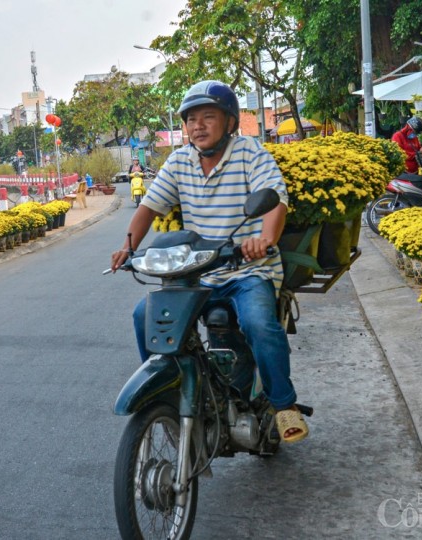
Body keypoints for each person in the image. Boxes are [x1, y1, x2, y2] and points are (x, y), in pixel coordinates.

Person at [110, 80, 308, 444]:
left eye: (208, 117)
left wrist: (264, 239)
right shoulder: (180, 161)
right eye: (191, 119)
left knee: (258, 322)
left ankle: (284, 405)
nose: (198, 126)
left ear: (230, 122)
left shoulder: (250, 153)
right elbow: (150, 207)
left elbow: (275, 201)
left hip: (248, 269)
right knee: (144, 315)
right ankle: (167, 398)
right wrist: (127, 246)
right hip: (198, 272)